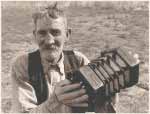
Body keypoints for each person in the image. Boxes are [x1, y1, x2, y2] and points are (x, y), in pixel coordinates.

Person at [10, 3, 118, 113]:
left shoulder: (78, 61)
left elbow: (97, 107)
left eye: (55, 32)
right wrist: (56, 101)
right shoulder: (23, 65)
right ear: (35, 36)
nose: (49, 41)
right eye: (42, 33)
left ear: (67, 34)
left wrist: (109, 91)